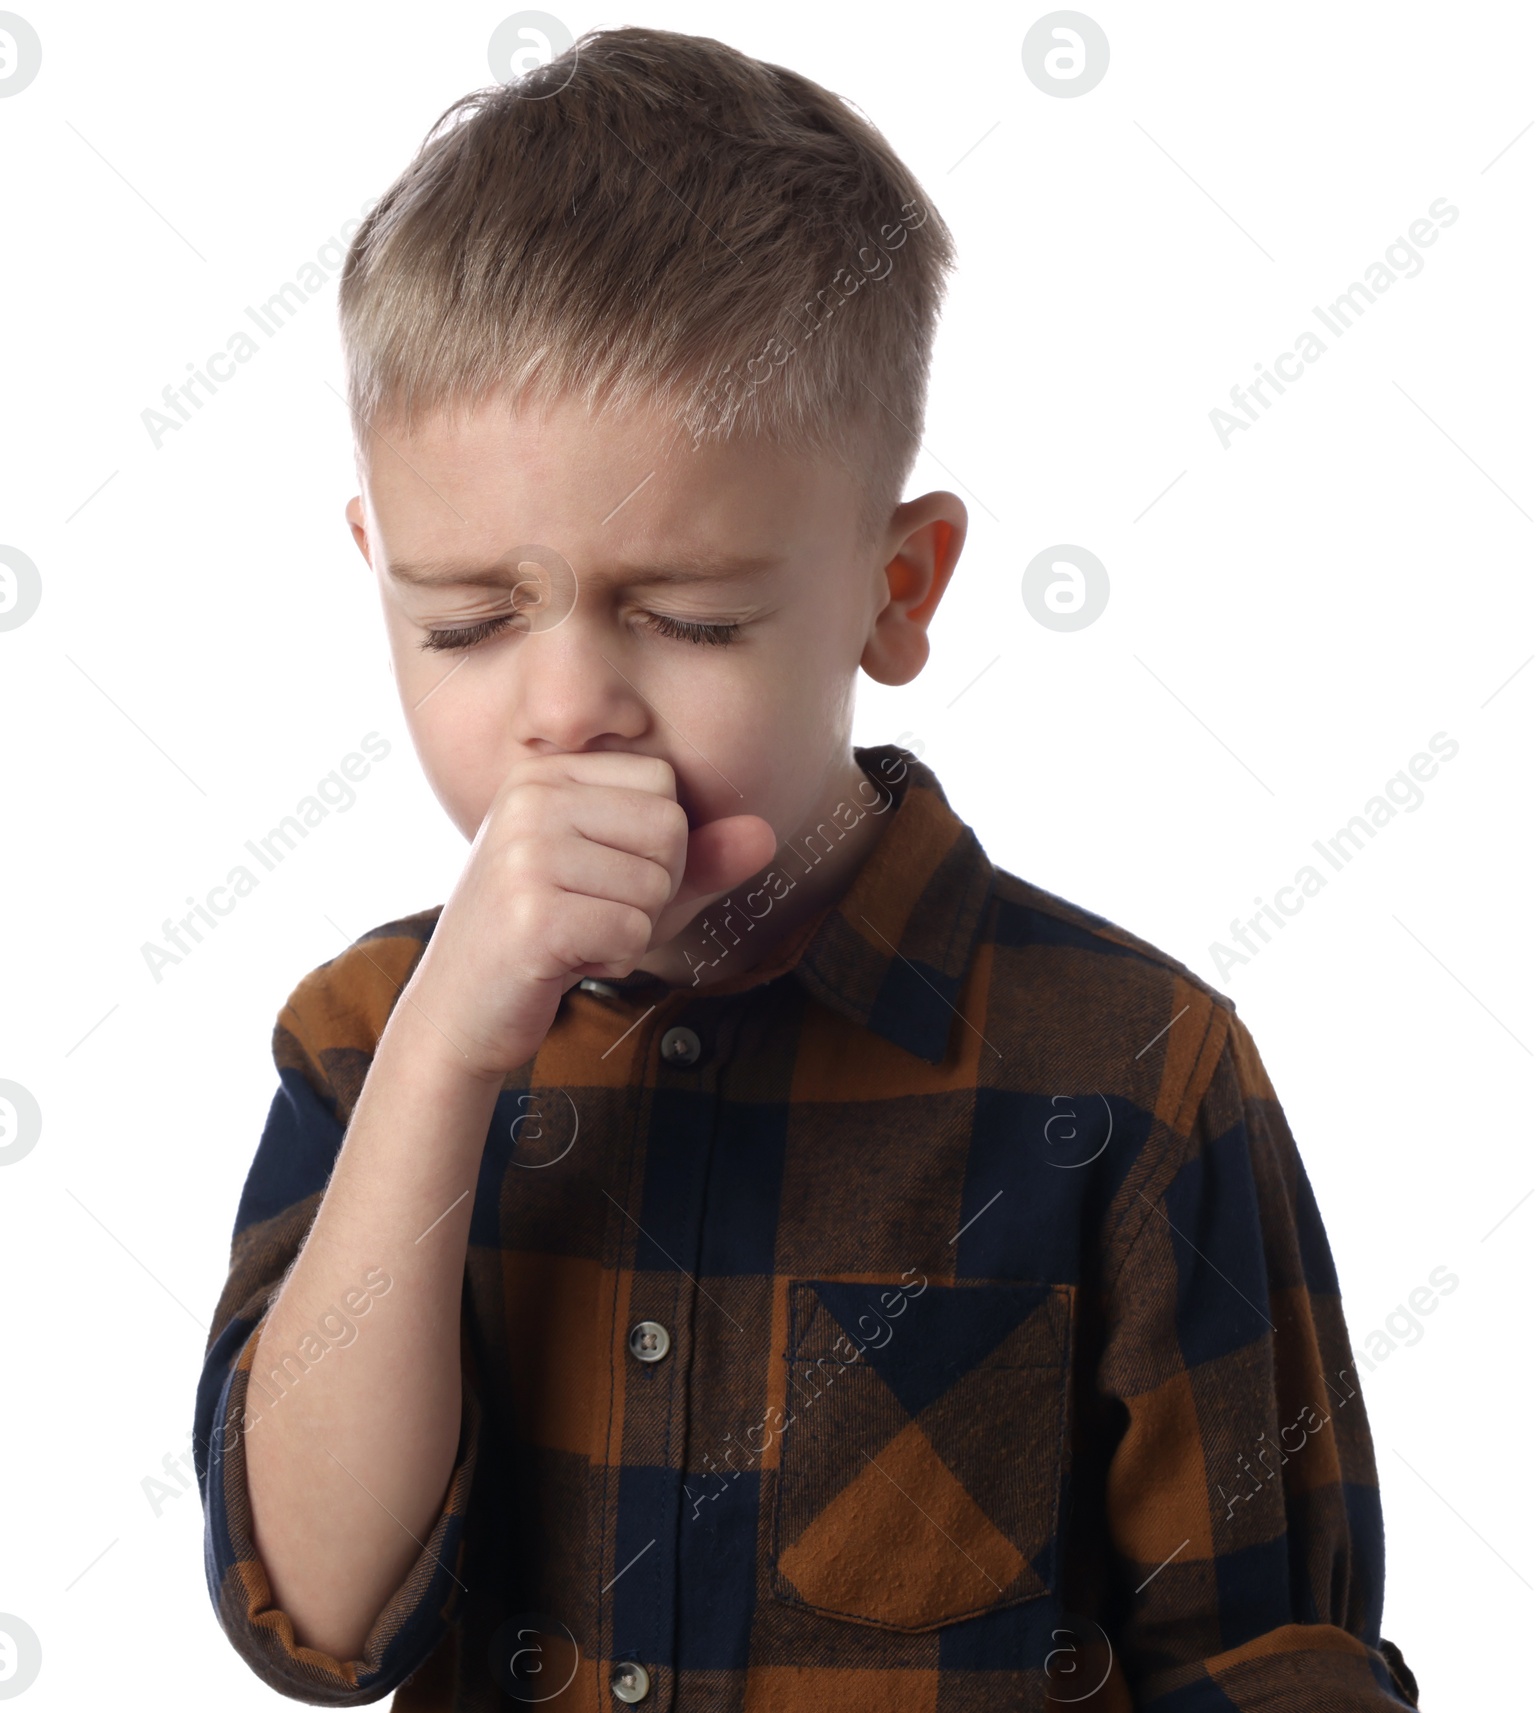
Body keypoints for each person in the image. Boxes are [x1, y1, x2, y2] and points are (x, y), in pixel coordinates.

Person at [193, 25, 1421, 1710]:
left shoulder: (1135, 1076)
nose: (567, 714)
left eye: (689, 616)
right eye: (466, 620)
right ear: (375, 569)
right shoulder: (365, 1038)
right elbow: (314, 1615)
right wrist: (447, 1059)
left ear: (896, 590)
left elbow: (1275, 1663)